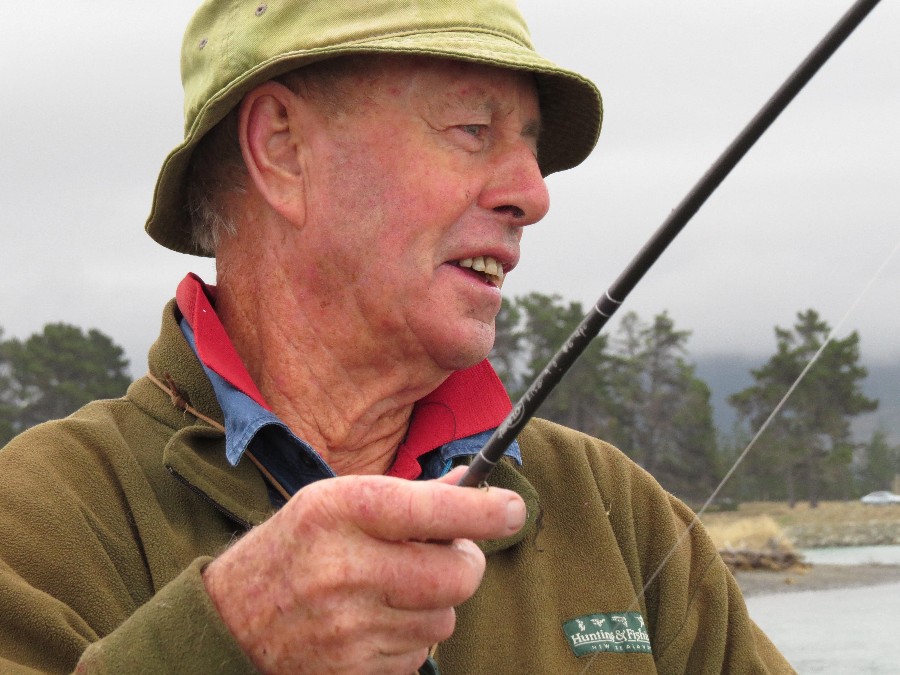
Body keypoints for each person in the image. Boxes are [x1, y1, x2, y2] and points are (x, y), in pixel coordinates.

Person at [0, 1, 793, 673]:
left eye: (531, 146)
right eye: (473, 128)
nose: (533, 194)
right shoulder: (40, 516)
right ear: (281, 147)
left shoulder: (617, 508)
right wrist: (226, 641)